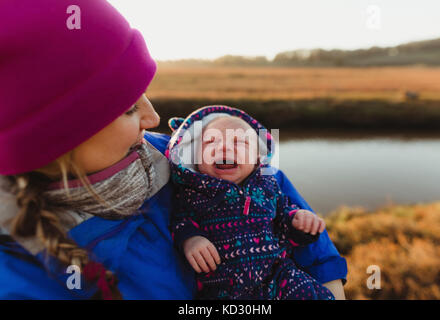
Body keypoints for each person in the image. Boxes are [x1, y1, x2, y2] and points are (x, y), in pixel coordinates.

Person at [0, 0, 347, 299]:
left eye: (144, 94)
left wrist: (330, 282)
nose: (153, 117)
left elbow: (268, 185)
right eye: (127, 109)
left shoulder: (175, 156)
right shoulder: (18, 275)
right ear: (54, 140)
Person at [169, 106, 335, 300]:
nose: (224, 148)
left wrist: (299, 222)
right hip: (222, 287)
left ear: (258, 159)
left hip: (279, 277)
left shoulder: (269, 187)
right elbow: (180, 220)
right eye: (211, 141)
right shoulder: (192, 192)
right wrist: (190, 239)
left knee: (311, 294)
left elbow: (285, 220)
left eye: (240, 142)